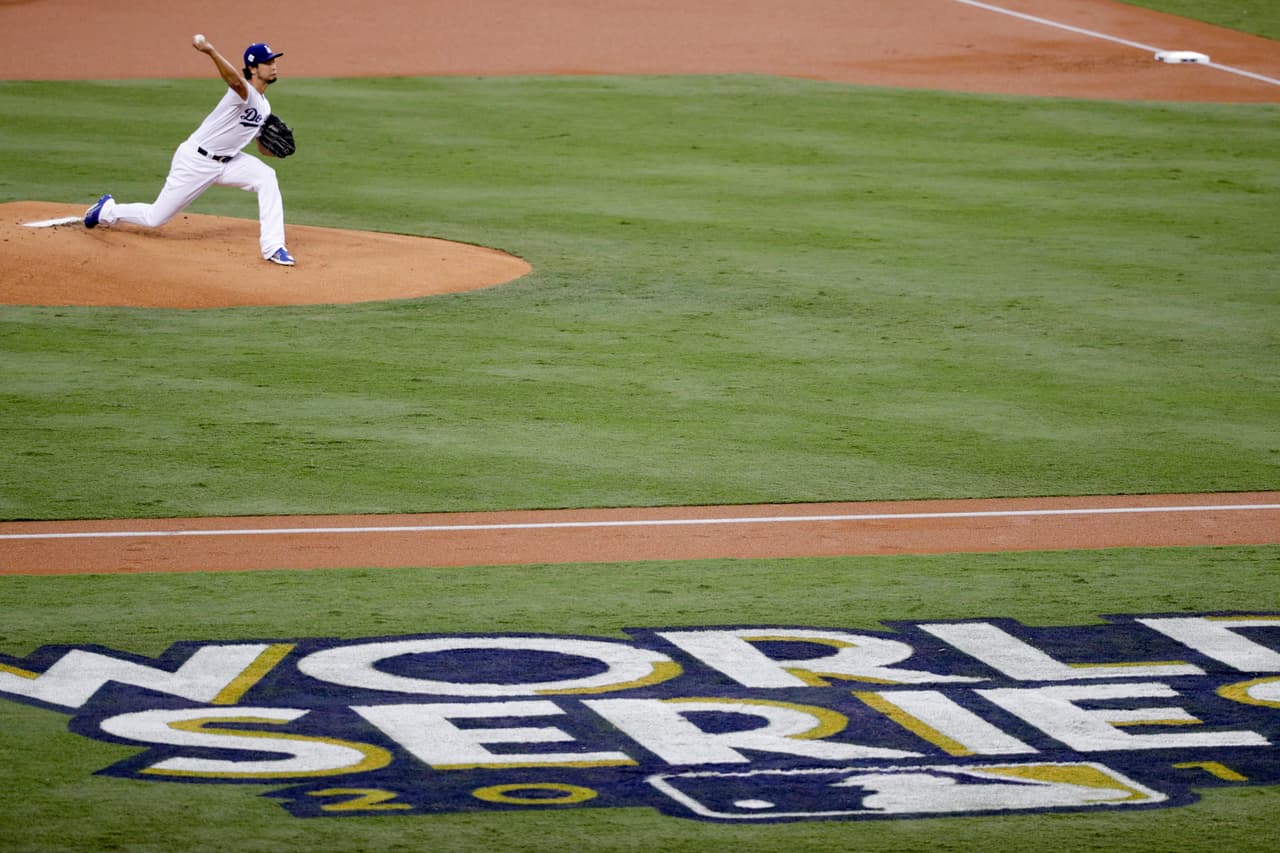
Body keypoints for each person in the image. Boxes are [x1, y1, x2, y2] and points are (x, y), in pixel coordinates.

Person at [83, 36, 295, 266]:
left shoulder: (264, 106)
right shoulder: (241, 92)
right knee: (155, 218)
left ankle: (274, 246)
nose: (274, 66)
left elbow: (261, 146)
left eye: (274, 61)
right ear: (253, 68)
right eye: (268, 62)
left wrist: (274, 150)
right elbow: (234, 80)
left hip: (229, 162)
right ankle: (107, 210)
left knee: (266, 177)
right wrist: (211, 51)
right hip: (196, 161)